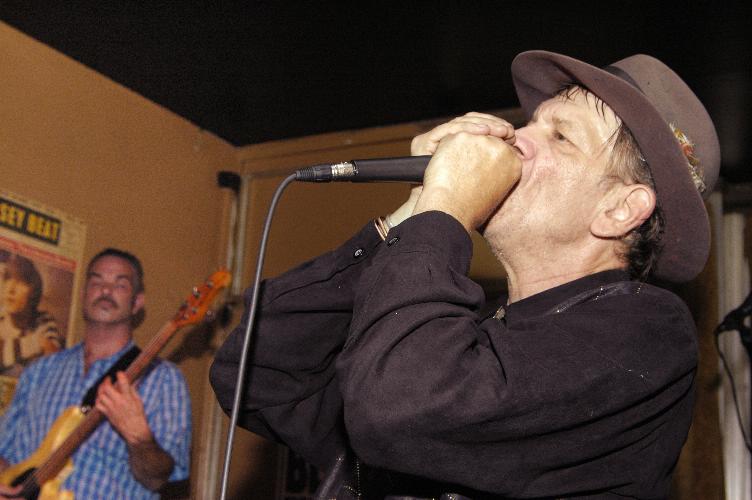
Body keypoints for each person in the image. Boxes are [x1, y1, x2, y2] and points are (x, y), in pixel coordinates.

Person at [210, 50, 720, 498]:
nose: (513, 138)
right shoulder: (464, 335)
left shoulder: (650, 333)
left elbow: (403, 406)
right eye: (530, 122)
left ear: (620, 209)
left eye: (561, 136)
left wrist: (446, 209)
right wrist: (416, 210)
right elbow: (255, 374)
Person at [0, 248, 191, 499]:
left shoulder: (164, 380)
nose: (106, 290)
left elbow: (157, 479)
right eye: (97, 281)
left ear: (137, 302)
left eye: (120, 284)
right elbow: (5, 451)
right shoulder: (38, 372)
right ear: (83, 294)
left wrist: (139, 438)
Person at [0, 254, 62, 379]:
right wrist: (36, 342)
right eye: (8, 279)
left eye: (20, 282)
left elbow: (54, 356)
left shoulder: (43, 320)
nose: (11, 289)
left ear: (33, 291)